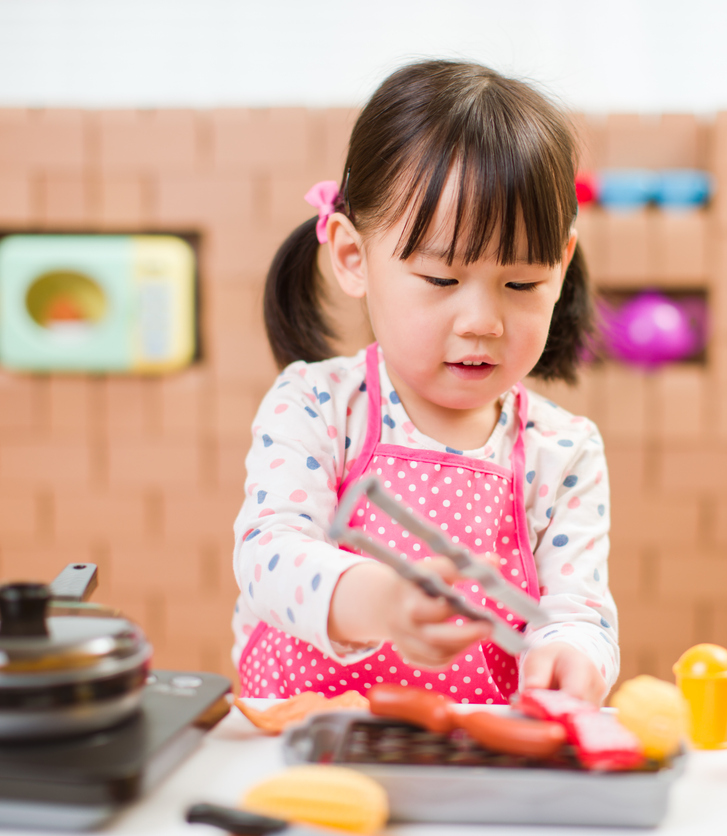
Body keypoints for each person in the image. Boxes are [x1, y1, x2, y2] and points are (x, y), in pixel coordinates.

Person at [231, 59, 618, 706]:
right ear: (354, 257)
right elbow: (268, 557)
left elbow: (580, 608)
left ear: (562, 264)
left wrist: (573, 653)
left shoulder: (564, 449)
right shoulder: (318, 407)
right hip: (303, 747)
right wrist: (382, 601)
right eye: (442, 281)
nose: (483, 322)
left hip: (475, 767)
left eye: (522, 284)